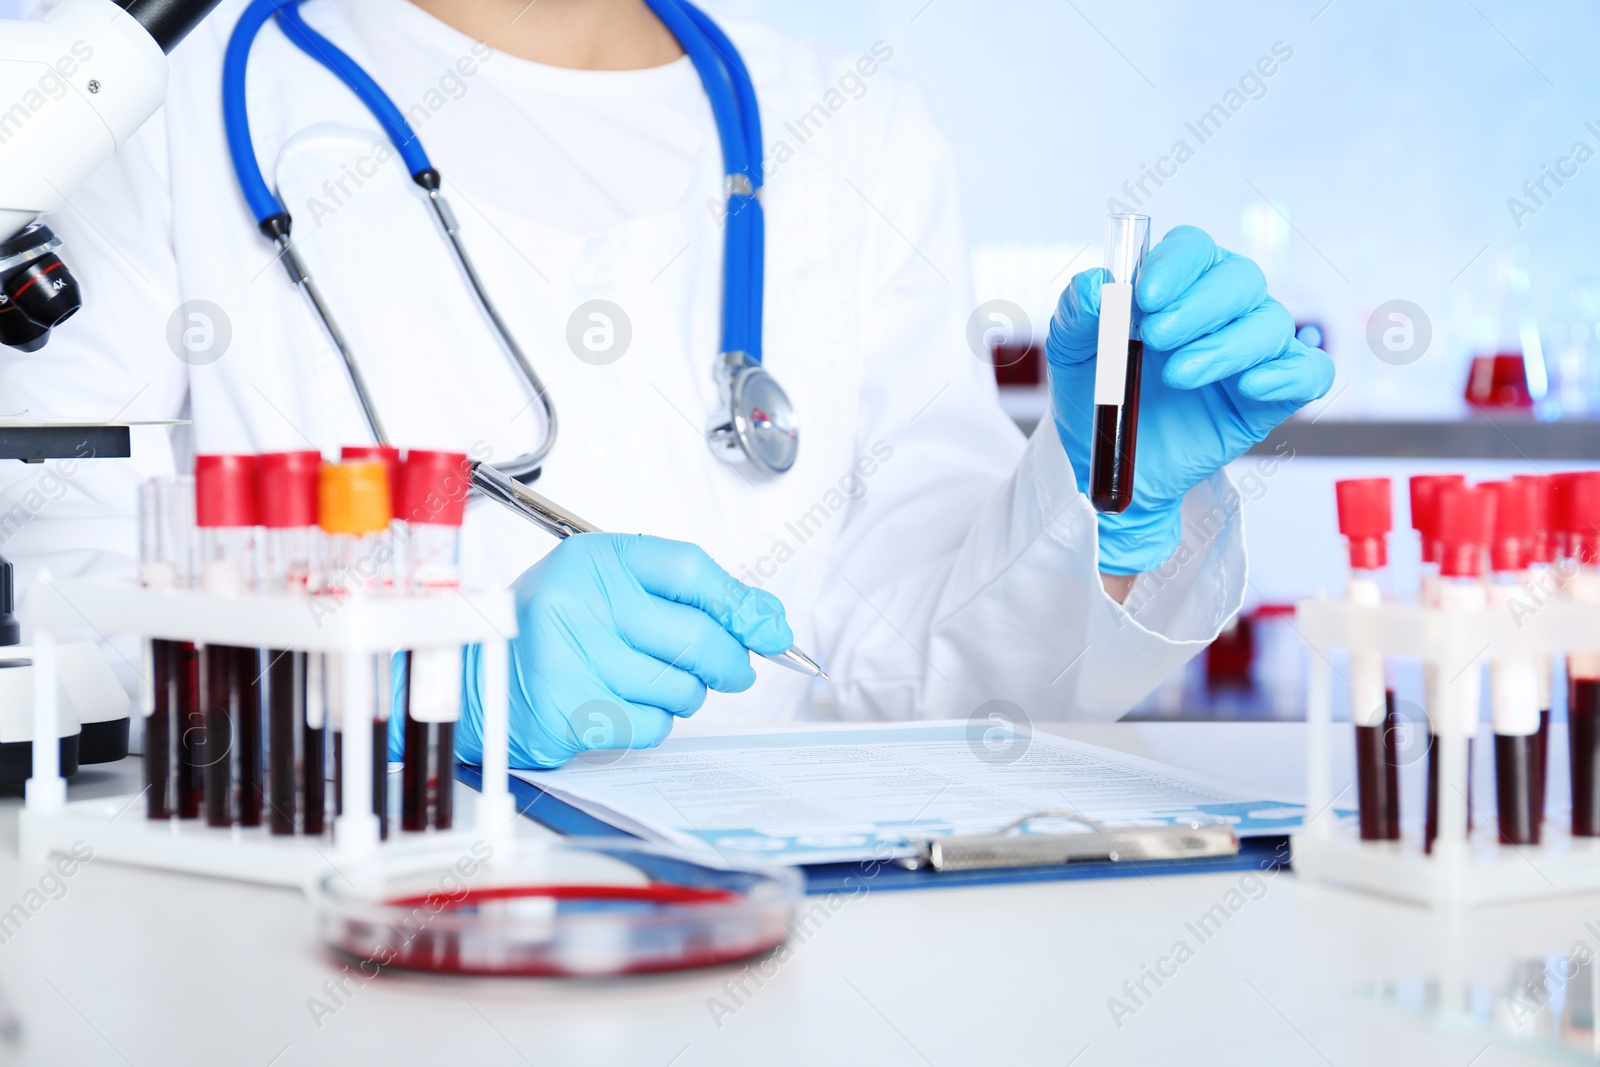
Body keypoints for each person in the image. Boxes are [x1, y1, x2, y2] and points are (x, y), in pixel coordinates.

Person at [0, 0, 1332, 768]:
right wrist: (424, 697)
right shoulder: (130, 91)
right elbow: (48, 631)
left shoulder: (846, 123)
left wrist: (1099, 503)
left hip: (791, 978)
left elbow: (920, 675)